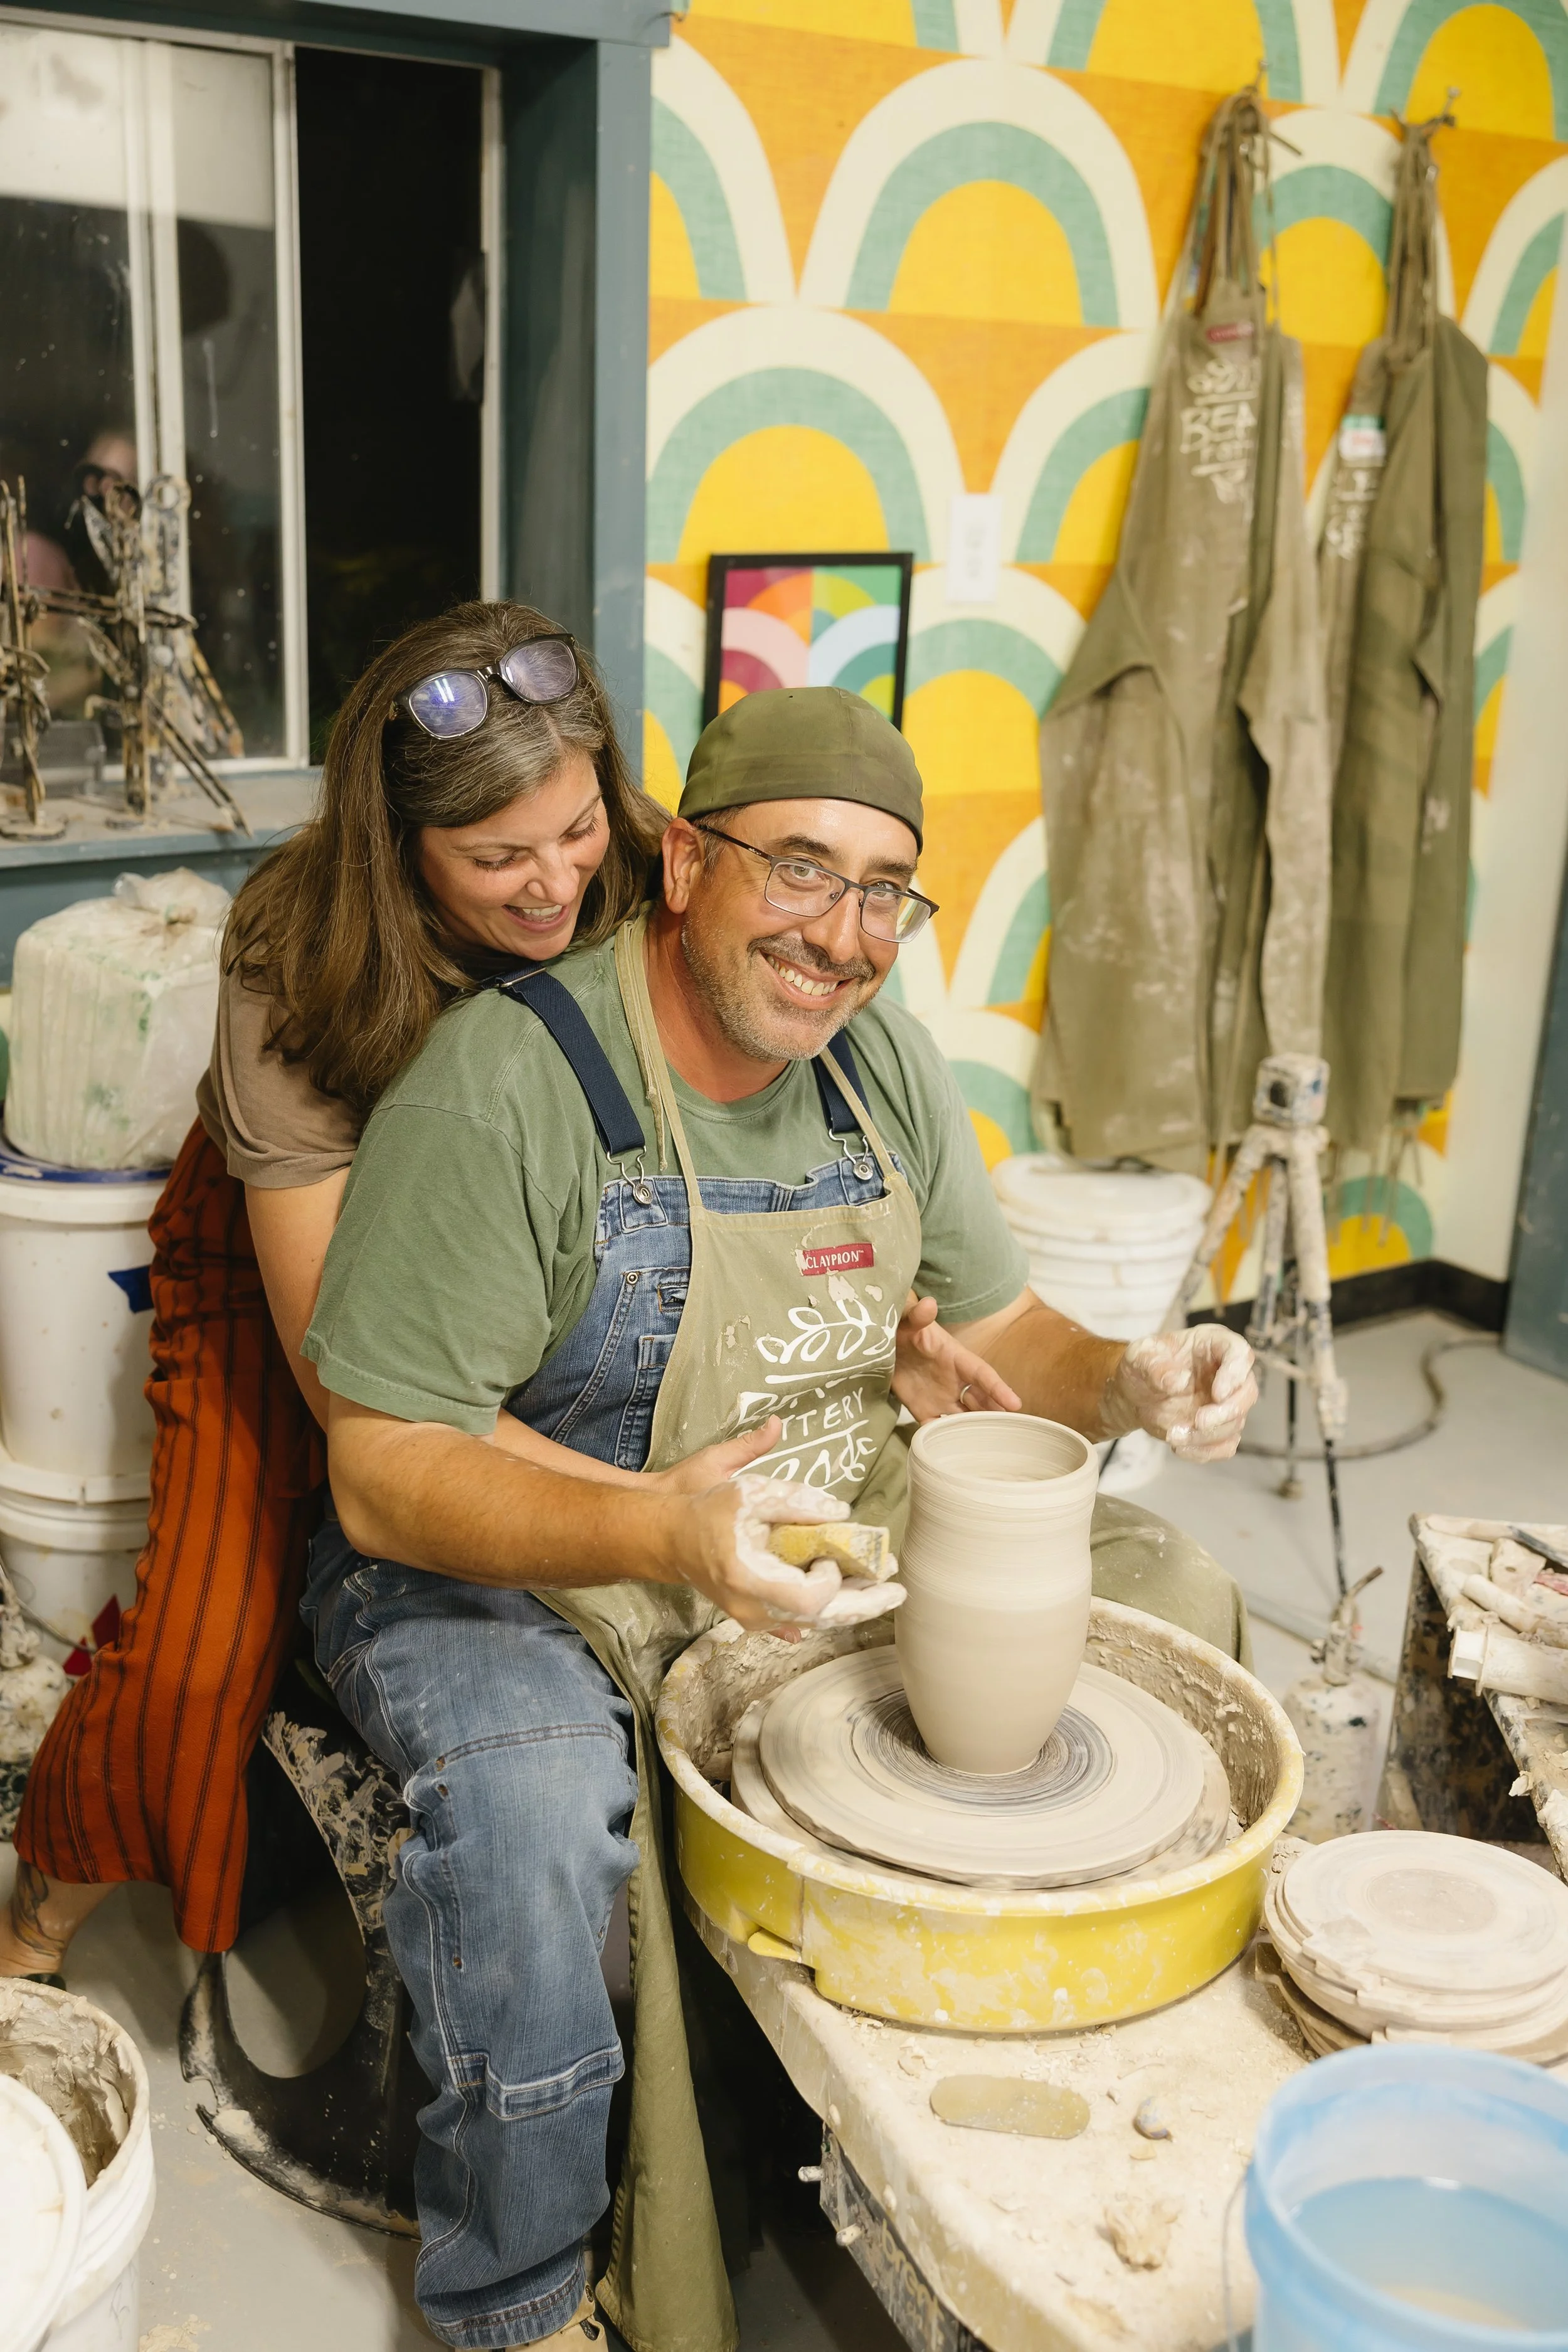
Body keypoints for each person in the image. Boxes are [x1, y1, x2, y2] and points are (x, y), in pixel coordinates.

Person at [298, 684, 1260, 2352]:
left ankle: (980, 2095)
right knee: (530, 1828)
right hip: (503, 1533)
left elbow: (1008, 1335)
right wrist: (665, 1532)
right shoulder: (505, 1089)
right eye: (799, 869)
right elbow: (384, 1462)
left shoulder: (874, 1055)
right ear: (683, 865)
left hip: (809, 1506)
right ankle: (518, 2294)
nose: (845, 934)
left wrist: (1131, 1374)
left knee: (1168, 1589)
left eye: (885, 888)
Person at [3, 614, 1002, 1987]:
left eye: (579, 832)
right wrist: (651, 1517)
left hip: (534, 1262)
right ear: (400, 846)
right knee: (200, 1643)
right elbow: (365, 1403)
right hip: (299, 1268)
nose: (552, 889)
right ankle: (38, 1910)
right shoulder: (292, 963)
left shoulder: (656, 862)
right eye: (495, 859)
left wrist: (861, 1329)